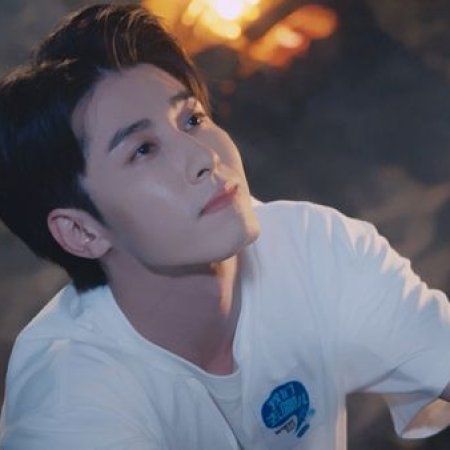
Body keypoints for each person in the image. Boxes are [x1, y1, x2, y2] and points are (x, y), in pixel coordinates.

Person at [0, 3, 449, 449]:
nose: (204, 156)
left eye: (192, 119)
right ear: (82, 232)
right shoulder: (67, 396)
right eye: (143, 149)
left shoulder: (314, 245)